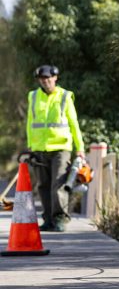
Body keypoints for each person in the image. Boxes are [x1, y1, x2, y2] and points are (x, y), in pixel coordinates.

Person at [26, 64, 85, 232]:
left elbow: (74, 124)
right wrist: (30, 146)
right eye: (42, 79)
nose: (45, 82)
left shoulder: (65, 96)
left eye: (48, 78)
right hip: (39, 148)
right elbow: (30, 123)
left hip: (61, 147)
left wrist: (79, 148)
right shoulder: (33, 96)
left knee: (58, 184)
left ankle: (60, 218)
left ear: (55, 78)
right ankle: (48, 220)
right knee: (43, 185)